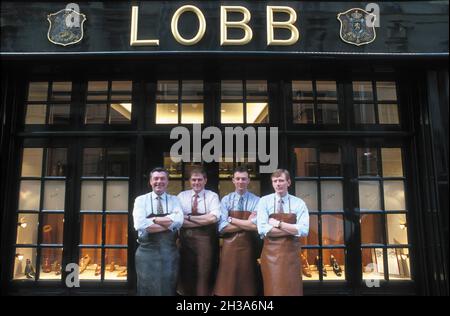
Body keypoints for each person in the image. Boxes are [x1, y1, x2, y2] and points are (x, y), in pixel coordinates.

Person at [256, 169, 309, 296]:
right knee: (272, 290)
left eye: (281, 180)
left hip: (292, 256)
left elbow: (304, 230)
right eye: (275, 181)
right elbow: (262, 229)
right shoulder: (264, 201)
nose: (278, 184)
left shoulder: (299, 203)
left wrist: (279, 224)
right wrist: (291, 229)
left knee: (293, 290)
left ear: (288, 182)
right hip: (270, 256)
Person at [132, 167, 184, 296]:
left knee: (168, 288)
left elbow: (179, 221)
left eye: (162, 178)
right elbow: (140, 224)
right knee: (146, 289)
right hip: (146, 254)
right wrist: (169, 224)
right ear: (150, 181)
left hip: (170, 253)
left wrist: (153, 219)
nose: (159, 181)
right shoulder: (141, 200)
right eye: (156, 178)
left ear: (167, 182)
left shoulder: (175, 200)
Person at [214, 166, 261, 296]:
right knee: (228, 286)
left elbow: (257, 226)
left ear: (249, 180)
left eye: (244, 179)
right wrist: (247, 223)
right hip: (229, 249)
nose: (241, 181)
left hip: (249, 248)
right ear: (233, 180)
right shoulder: (225, 200)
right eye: (238, 179)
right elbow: (222, 228)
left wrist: (231, 219)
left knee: (248, 286)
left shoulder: (257, 201)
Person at [177, 167, 221, 296]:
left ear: (205, 180)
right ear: (190, 181)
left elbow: (214, 218)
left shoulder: (212, 196)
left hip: (206, 243)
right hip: (185, 244)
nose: (197, 183)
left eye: (199, 180)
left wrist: (189, 218)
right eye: (194, 180)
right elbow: (178, 220)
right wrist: (203, 219)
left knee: (204, 273)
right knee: (186, 273)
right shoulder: (182, 196)